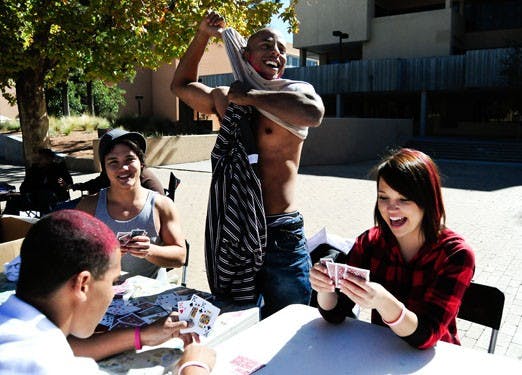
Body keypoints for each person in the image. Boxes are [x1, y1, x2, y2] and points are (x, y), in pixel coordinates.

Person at [172, 12, 324, 318]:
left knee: (290, 321)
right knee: (236, 316)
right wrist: (202, 34)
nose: (276, 53)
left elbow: (313, 113)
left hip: (280, 231)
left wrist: (251, 98)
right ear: (245, 54)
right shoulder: (226, 99)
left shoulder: (293, 92)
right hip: (237, 228)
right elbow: (181, 85)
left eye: (282, 49)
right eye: (267, 45)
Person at [0, 209, 213, 373]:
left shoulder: (14, 326)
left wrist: (143, 335)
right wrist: (194, 366)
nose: (114, 293)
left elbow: (71, 347)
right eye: (113, 282)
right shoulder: (52, 366)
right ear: (83, 284)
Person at [310, 148, 476, 349]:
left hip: (437, 359)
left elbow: (427, 336)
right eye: (383, 197)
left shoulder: (456, 254)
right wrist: (324, 289)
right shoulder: (370, 241)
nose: (390, 208)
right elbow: (336, 314)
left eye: (404, 199)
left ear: (428, 200)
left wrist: (382, 301)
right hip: (380, 353)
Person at [76, 128, 187, 279]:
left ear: (141, 163)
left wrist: (149, 250)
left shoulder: (162, 205)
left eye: (129, 159)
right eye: (113, 162)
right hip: (105, 295)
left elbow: (180, 257)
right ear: (105, 169)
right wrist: (105, 254)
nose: (123, 168)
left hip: (150, 298)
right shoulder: (89, 206)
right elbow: (73, 256)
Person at [4, 148, 73, 215]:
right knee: (12, 199)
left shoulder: (58, 168)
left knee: (45, 195)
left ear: (49, 159)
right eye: (37, 159)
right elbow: (23, 188)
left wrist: (65, 184)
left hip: (54, 199)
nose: (37, 161)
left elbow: (69, 183)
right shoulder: (34, 170)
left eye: (40, 159)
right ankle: (8, 222)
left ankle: (45, 220)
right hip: (33, 199)